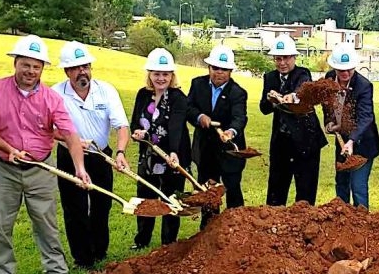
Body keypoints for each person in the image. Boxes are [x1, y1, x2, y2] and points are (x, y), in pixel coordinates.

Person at [0, 35, 88, 274]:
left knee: (46, 222)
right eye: (26, 64)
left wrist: (79, 168)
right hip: (4, 168)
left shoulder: (51, 98)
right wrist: (8, 149)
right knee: (1, 224)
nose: (30, 71)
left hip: (40, 169)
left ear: (42, 68)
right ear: (15, 63)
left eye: (36, 66)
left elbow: (69, 135)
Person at [52, 41, 130, 268]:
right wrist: (70, 139)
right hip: (69, 156)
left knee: (101, 204)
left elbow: (121, 126)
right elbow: (46, 128)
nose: (82, 71)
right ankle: (82, 257)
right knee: (74, 207)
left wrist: (121, 152)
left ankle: (99, 250)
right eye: (76, 68)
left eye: (85, 66)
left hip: (100, 155)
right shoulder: (55, 94)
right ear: (67, 71)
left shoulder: (106, 90)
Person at [130, 48, 191, 248]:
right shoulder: (142, 94)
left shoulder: (178, 97)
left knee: (171, 198)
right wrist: (137, 133)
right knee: (146, 197)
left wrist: (173, 151)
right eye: (157, 74)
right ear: (150, 74)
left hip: (172, 155)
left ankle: (168, 243)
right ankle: (142, 240)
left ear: (172, 75)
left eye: (165, 74)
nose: (161, 78)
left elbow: (176, 126)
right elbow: (135, 123)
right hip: (148, 156)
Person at [260, 35, 327, 206]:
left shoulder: (302, 74)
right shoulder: (270, 78)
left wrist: (292, 96)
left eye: (286, 58)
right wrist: (270, 99)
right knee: (276, 189)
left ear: (294, 57)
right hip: (281, 141)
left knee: (305, 192)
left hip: (306, 141)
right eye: (278, 58)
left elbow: (302, 92)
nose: (282, 63)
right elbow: (263, 109)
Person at [187, 45, 248, 227]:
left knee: (232, 189)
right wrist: (199, 117)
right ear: (209, 68)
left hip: (229, 151)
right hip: (205, 150)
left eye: (223, 69)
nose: (219, 73)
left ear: (230, 71)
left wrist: (231, 132)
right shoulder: (197, 84)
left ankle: (236, 228)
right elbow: (188, 108)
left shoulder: (238, 93)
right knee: (208, 191)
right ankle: (208, 229)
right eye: (215, 68)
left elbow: (240, 117)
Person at [323, 43, 379, 209]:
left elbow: (366, 117)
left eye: (349, 69)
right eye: (341, 70)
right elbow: (326, 104)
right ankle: (342, 223)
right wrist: (328, 122)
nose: (346, 73)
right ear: (334, 68)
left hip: (363, 144)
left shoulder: (363, 86)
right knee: (341, 183)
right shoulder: (328, 79)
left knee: (358, 186)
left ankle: (362, 225)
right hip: (342, 142)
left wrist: (352, 141)